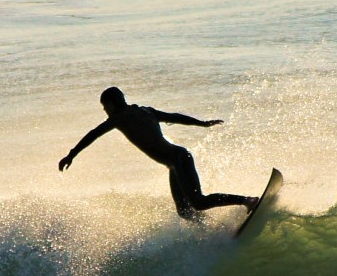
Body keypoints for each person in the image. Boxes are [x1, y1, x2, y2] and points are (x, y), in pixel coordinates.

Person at [58, 87, 258, 220]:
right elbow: (175, 117)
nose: (105, 111)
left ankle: (248, 200)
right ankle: (214, 230)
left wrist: (71, 154)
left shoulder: (119, 118)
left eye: (104, 107)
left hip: (178, 159)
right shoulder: (145, 111)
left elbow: (93, 134)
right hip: (175, 162)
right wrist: (202, 123)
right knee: (184, 211)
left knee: (198, 202)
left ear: (110, 105)